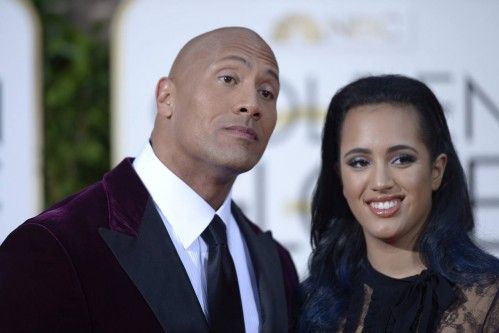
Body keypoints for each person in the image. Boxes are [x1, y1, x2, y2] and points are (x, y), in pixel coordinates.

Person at [0, 27, 298, 332]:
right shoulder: (53, 247)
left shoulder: (277, 264)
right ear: (166, 97)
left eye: (267, 92)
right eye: (228, 79)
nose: (252, 104)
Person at [298, 75, 499, 332]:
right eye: (360, 162)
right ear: (340, 177)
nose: (381, 182)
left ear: (436, 170)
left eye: (402, 159)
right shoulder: (310, 305)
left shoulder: (489, 300)